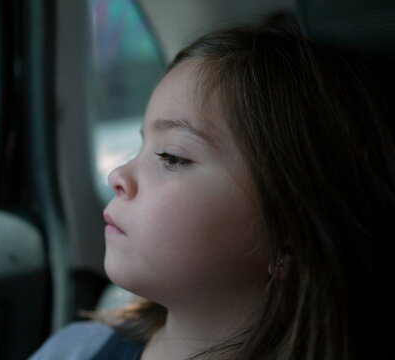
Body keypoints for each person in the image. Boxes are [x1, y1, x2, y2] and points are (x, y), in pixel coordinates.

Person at [30, 13, 395, 360]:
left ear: (290, 238)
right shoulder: (76, 349)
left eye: (171, 157)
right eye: (140, 146)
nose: (117, 175)